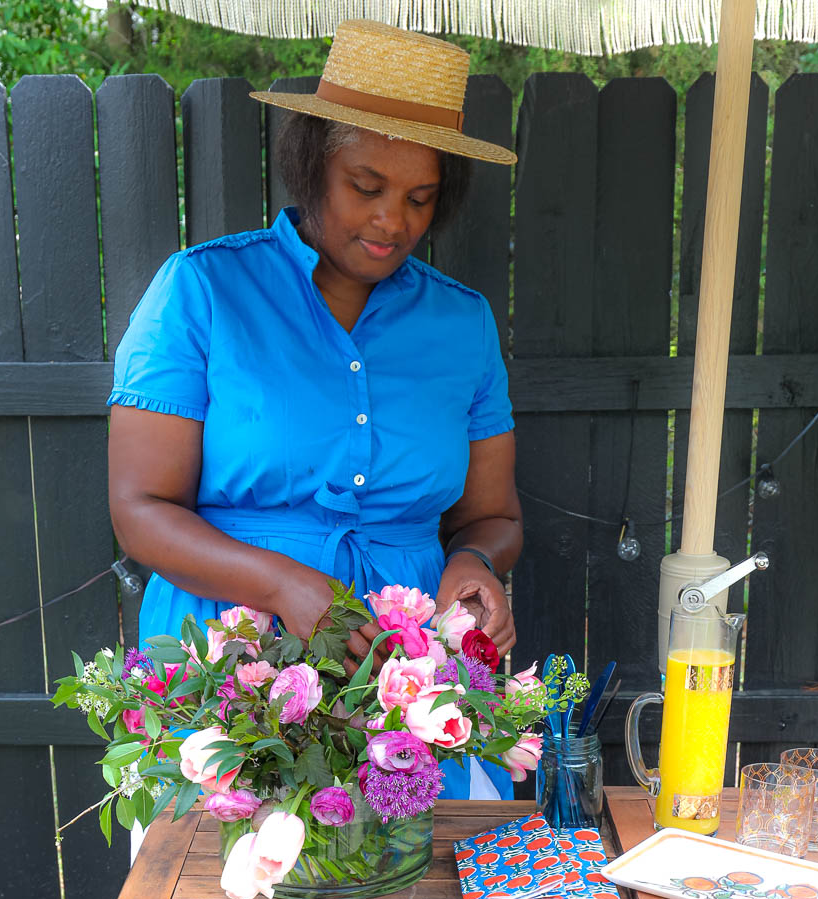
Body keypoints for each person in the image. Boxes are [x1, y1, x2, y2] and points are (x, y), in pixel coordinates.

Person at [108, 19, 522, 799]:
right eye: (366, 187)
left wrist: (475, 565)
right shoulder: (203, 292)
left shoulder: (461, 325)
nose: (392, 221)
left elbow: (493, 517)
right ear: (311, 166)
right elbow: (140, 508)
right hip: (231, 665)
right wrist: (282, 585)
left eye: (420, 198)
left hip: (412, 689)